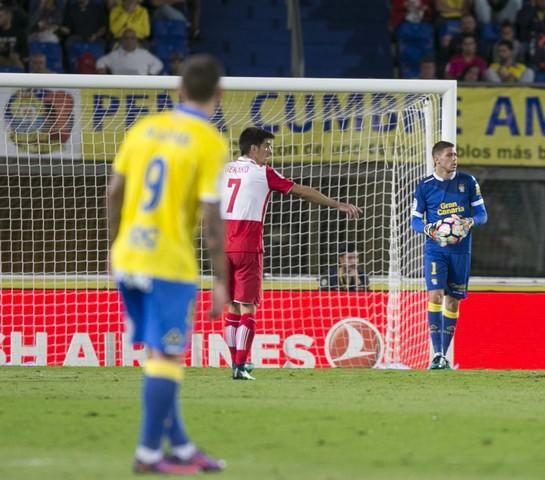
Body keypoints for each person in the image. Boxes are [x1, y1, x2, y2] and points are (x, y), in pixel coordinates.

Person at [106, 54, 229, 474]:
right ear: (219, 93)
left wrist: (114, 246)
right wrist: (220, 278)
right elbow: (212, 214)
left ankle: (178, 445)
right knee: (169, 356)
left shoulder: (144, 129)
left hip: (127, 255)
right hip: (168, 262)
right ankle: (147, 453)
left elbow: (114, 193)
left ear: (178, 89)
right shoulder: (210, 141)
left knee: (160, 353)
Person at [221, 127, 362, 380]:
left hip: (222, 245)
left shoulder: (225, 169)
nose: (270, 152)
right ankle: (241, 366)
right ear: (253, 148)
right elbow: (301, 191)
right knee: (248, 308)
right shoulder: (262, 173)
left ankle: (235, 362)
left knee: (231, 306)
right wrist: (335, 204)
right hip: (247, 245)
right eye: (267, 147)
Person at [411, 141, 487, 370]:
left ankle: (443, 355)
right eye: (449, 155)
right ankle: (435, 354)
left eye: (455, 155)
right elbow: (414, 220)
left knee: (452, 301)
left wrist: (470, 221)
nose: (454, 159)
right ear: (437, 159)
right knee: (435, 295)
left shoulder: (467, 181)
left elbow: (482, 214)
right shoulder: (424, 186)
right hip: (436, 250)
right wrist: (428, 229)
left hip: (461, 252)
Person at [96, 29, 163, 74]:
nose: (129, 41)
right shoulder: (114, 55)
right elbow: (100, 62)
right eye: (126, 38)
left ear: (136, 40)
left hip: (141, 88)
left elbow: (158, 64)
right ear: (121, 40)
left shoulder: (144, 54)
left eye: (132, 38)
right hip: (120, 89)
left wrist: (151, 74)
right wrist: (102, 71)